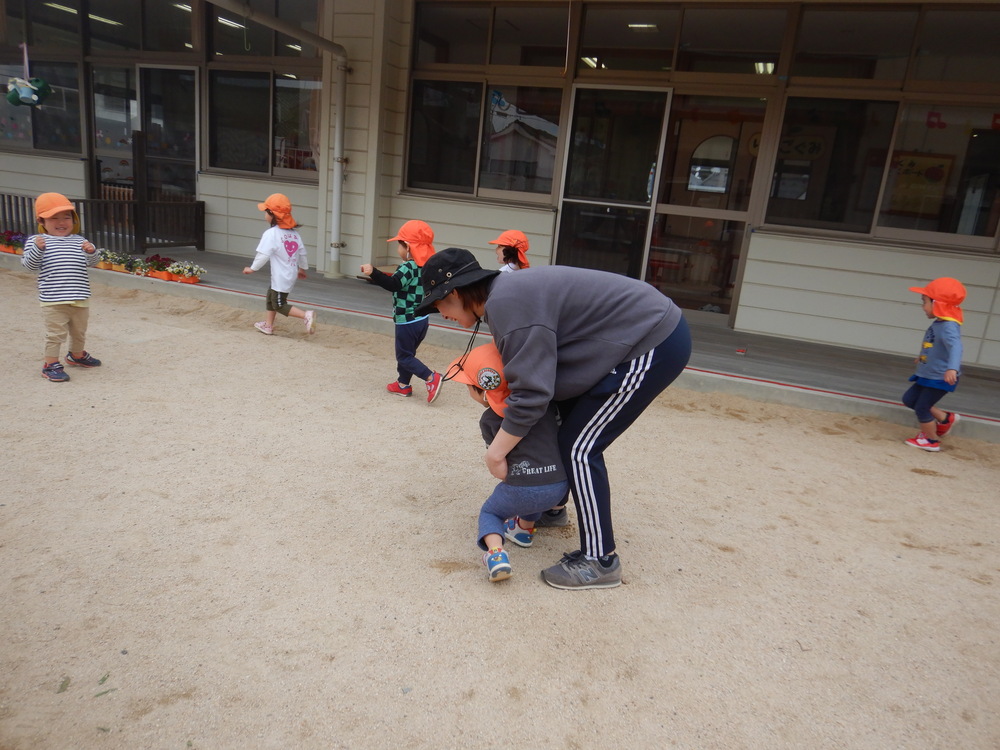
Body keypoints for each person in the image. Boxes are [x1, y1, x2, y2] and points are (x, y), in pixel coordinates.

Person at [417, 248, 692, 590]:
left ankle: (600, 560)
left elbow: (532, 395)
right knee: (568, 425)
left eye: (438, 304)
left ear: (455, 293)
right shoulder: (505, 296)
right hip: (634, 336)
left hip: (650, 340)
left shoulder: (506, 303)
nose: (439, 313)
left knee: (580, 446)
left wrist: (496, 453)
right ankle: (552, 505)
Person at [447, 342, 569, 582]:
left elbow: (501, 468)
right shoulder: (543, 407)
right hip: (559, 487)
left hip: (522, 487)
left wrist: (517, 478)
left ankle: (496, 554)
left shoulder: (489, 420)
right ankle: (523, 530)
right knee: (534, 494)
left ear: (482, 391)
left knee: (491, 512)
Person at [22, 192, 101, 382]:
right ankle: (50, 364)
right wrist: (38, 250)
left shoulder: (79, 241)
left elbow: (93, 262)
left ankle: (77, 355)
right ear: (42, 220)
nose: (61, 222)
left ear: (74, 220)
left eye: (67, 217)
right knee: (56, 333)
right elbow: (29, 266)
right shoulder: (37, 241)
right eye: (54, 218)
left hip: (80, 296)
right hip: (53, 299)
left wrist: (91, 252)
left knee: (79, 330)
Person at [360, 219, 442, 403]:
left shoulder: (408, 267)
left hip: (406, 319)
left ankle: (431, 377)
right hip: (422, 319)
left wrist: (374, 272)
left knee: (404, 355)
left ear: (407, 246)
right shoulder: (428, 267)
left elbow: (393, 284)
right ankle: (403, 384)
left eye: (399, 245)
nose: (398, 250)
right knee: (408, 354)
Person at [902, 277, 965, 452]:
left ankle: (931, 440)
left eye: (925, 302)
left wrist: (952, 368)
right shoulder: (940, 323)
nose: (923, 307)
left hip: (939, 377)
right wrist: (922, 356)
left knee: (922, 407)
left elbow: (956, 347)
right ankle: (945, 419)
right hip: (928, 373)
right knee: (909, 400)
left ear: (938, 303)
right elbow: (935, 345)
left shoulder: (948, 326)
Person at [242, 193, 315, 336]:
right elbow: (302, 253)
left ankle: (306, 315)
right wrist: (302, 269)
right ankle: (268, 325)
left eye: (266, 211)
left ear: (272, 214)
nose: (264, 214)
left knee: (279, 304)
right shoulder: (294, 234)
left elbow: (263, 254)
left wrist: (252, 268)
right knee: (271, 296)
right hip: (288, 274)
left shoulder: (272, 234)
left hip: (282, 275)